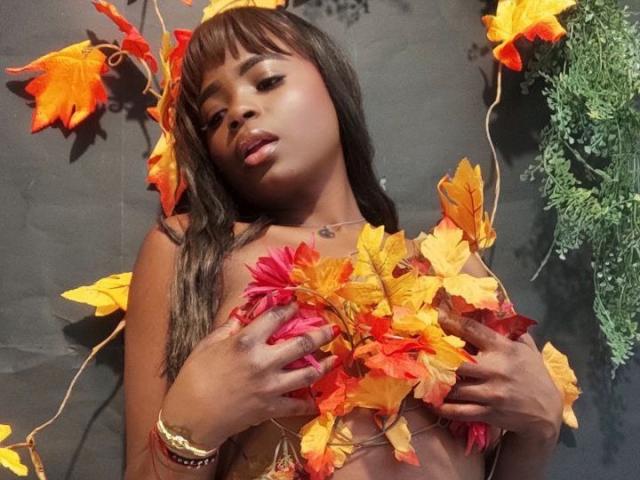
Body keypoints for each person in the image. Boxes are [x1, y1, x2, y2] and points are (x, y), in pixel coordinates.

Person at [123, 6, 564, 480]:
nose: (238, 111)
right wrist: (192, 423)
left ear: (332, 85)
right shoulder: (191, 249)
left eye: (267, 81)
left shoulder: (454, 266)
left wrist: (541, 428)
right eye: (214, 117)